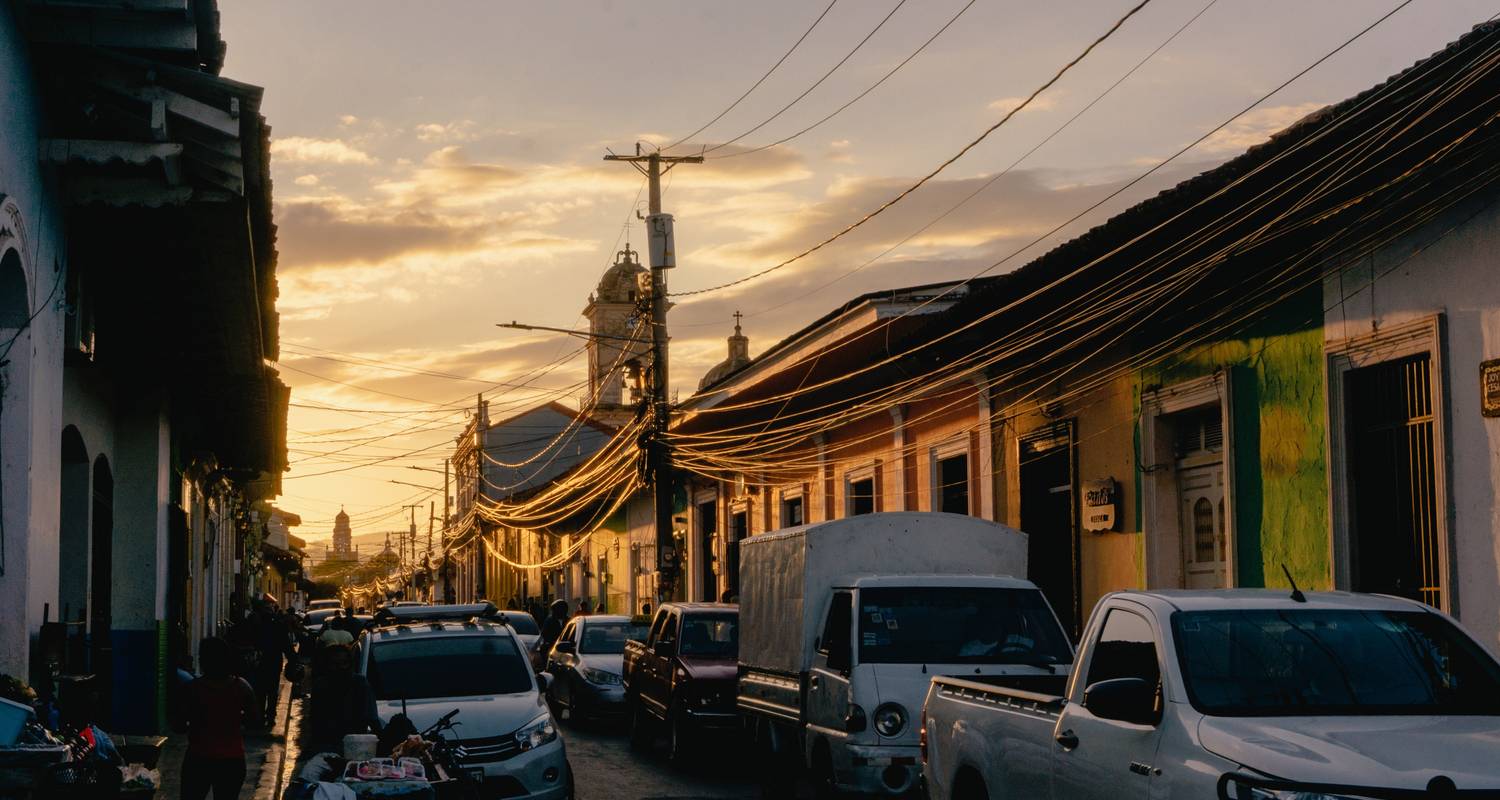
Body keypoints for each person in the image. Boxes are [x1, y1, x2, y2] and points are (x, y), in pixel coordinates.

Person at [174, 637, 258, 800]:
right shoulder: (242, 687)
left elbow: (178, 726)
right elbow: (254, 721)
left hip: (198, 758)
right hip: (232, 760)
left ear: (203, 661)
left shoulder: (192, 689)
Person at [307, 643, 380, 755]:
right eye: (335, 664)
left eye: (344, 663)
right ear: (327, 665)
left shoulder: (360, 684)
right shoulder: (320, 686)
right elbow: (315, 721)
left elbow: (372, 718)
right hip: (326, 749)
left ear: (350, 664)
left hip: (356, 747)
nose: (340, 668)